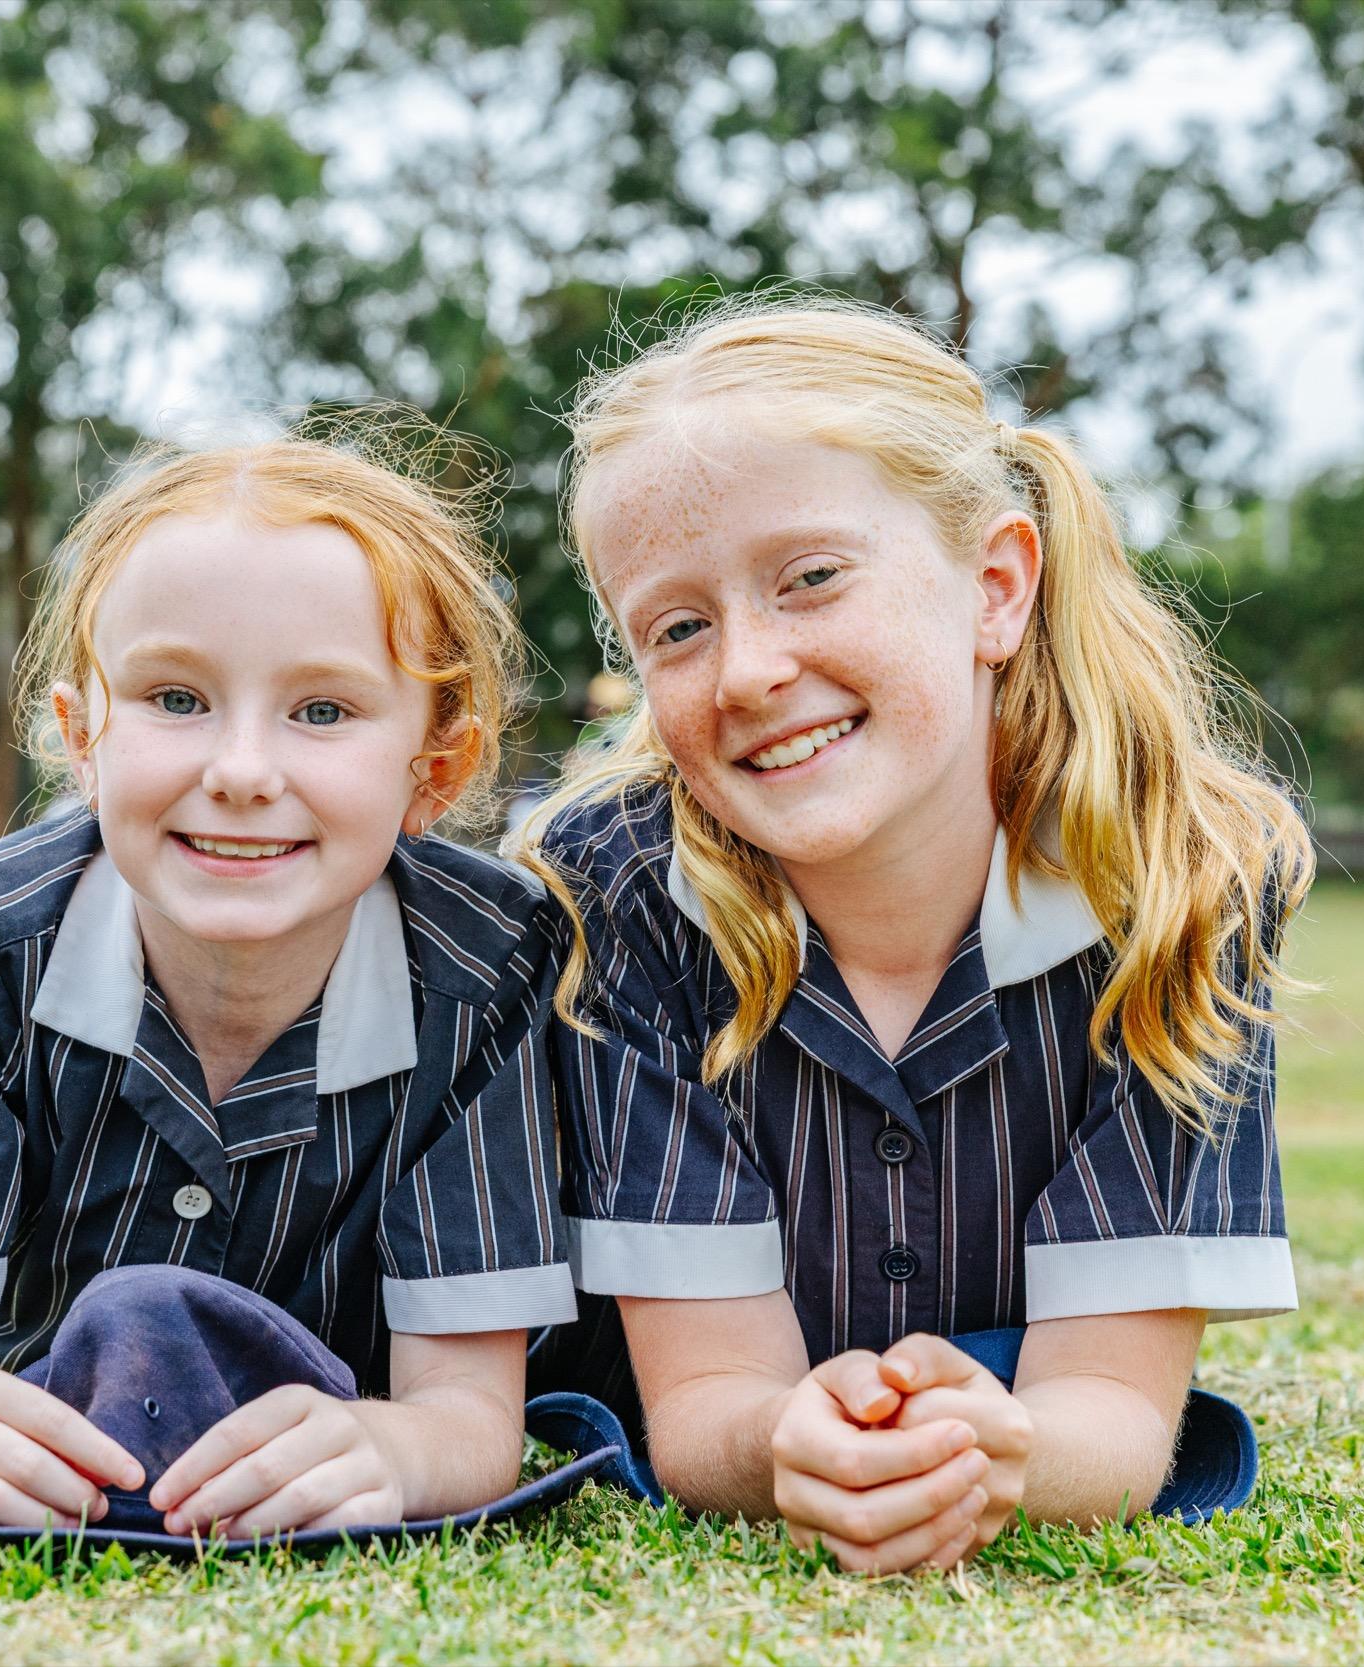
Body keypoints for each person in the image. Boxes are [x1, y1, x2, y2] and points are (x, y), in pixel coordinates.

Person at [514, 296, 1312, 1575]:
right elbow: (709, 1397)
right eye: (676, 626)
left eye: (811, 577)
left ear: (994, 587)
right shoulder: (617, 895)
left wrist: (1003, 1455)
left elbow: (1110, 1404)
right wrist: (789, 1443)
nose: (747, 670)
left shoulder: (1182, 887)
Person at [0, 430, 576, 1539]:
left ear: (434, 768)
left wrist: (392, 1448)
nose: (242, 772)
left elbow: (469, 1417)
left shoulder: (490, 970)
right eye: (174, 697)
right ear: (81, 737)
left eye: (321, 711)